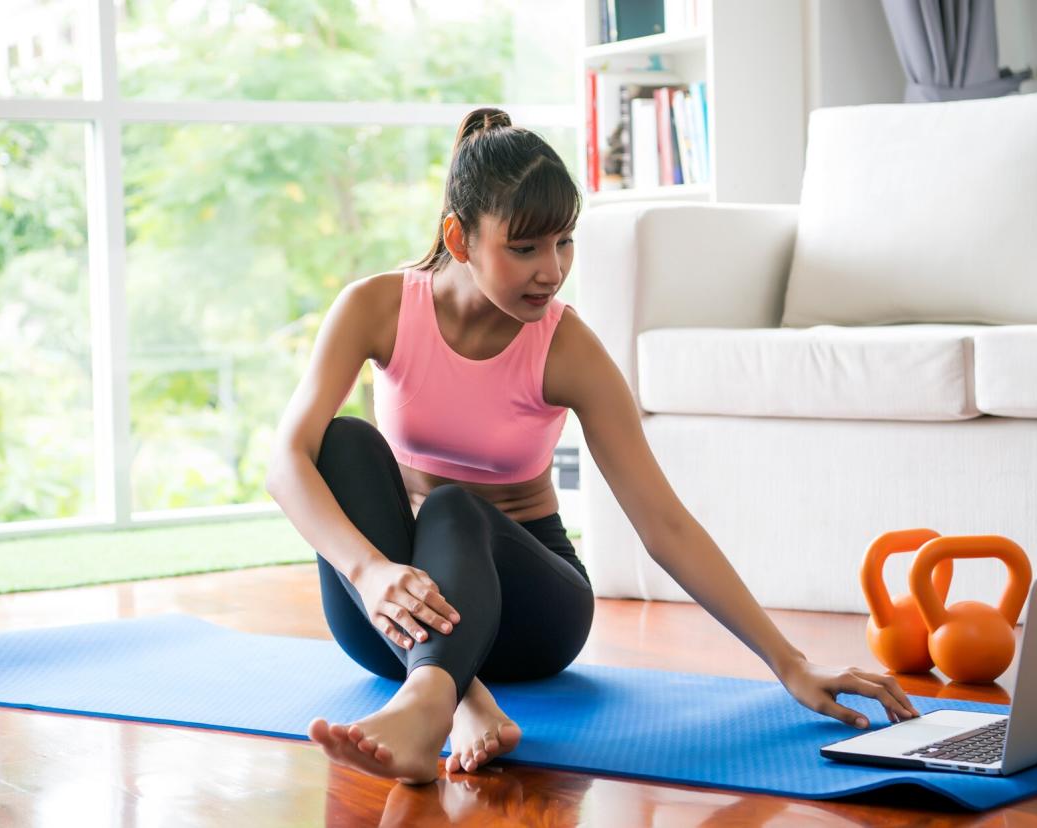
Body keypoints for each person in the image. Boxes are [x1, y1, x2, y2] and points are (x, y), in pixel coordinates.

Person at [265, 107, 920, 786]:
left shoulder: (566, 347)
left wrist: (790, 662)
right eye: (525, 248)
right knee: (339, 442)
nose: (552, 271)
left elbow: (662, 525)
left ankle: (431, 700)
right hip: (391, 612)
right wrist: (369, 572)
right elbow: (285, 463)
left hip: (530, 612)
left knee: (451, 506)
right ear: (459, 239)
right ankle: (460, 692)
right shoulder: (376, 308)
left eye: (564, 243)